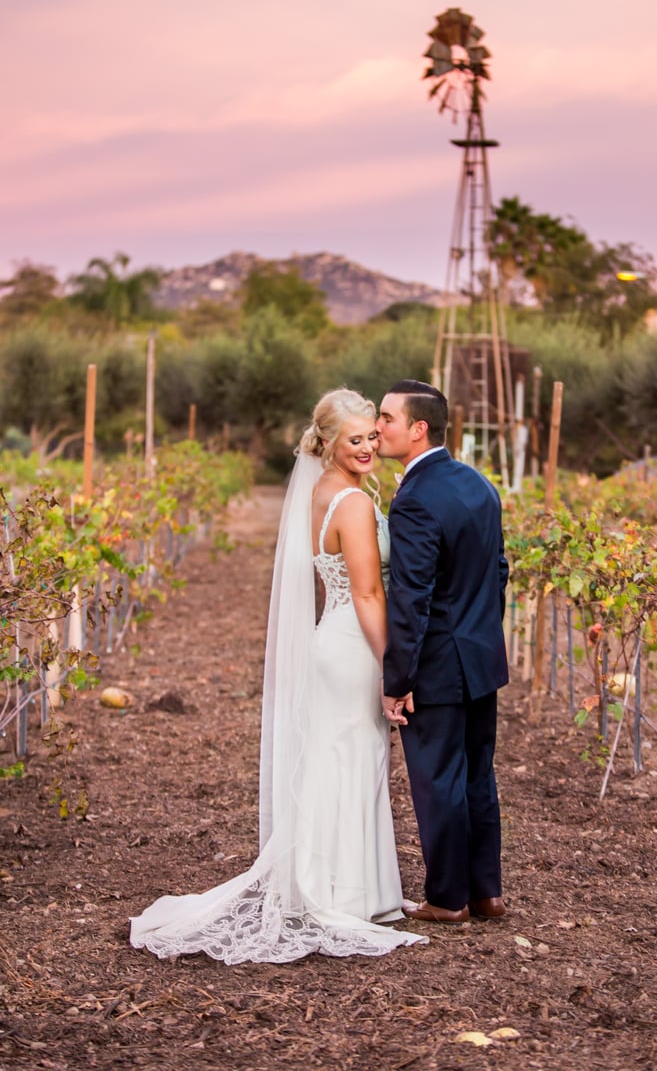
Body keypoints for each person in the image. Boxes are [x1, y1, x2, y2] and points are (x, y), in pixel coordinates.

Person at [130, 389, 425, 963]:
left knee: (341, 758)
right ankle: (343, 895)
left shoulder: (324, 492)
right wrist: (396, 667)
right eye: (355, 439)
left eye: (371, 436)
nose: (368, 447)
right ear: (329, 442)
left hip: (333, 637)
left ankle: (349, 888)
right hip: (356, 643)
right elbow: (367, 593)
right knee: (353, 760)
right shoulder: (353, 504)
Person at [377, 380, 509, 924]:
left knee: (438, 781)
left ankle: (448, 898)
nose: (377, 427)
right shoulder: (478, 484)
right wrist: (481, 633)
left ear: (418, 428)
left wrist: (398, 678)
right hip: (480, 656)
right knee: (478, 774)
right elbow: (498, 571)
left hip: (437, 663)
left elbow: (412, 597)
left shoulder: (414, 499)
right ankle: (486, 893)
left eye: (387, 417)